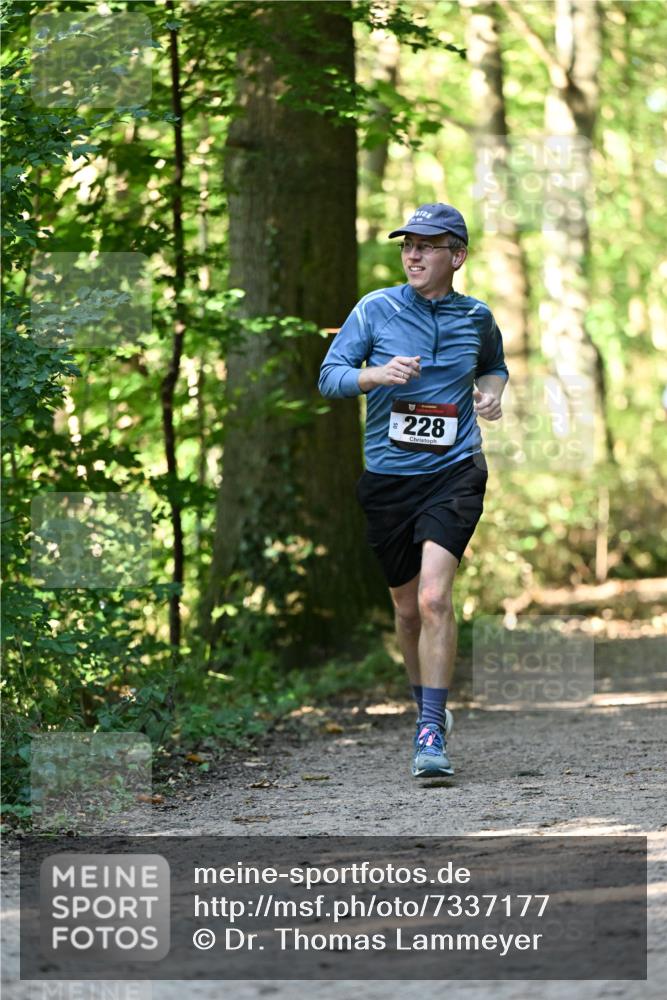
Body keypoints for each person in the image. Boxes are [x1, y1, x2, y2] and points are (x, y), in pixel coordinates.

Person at [318, 202, 508, 778]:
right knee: (405, 611)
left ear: (458, 255)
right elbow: (330, 377)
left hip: (455, 472)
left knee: (432, 599)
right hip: (388, 479)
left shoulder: (476, 316)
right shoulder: (374, 310)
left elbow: (493, 365)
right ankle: (425, 702)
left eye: (427, 245)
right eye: (408, 245)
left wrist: (494, 393)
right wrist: (374, 375)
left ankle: (430, 730)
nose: (414, 254)